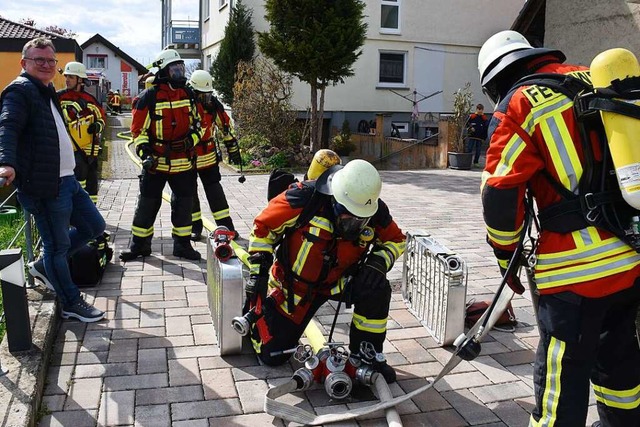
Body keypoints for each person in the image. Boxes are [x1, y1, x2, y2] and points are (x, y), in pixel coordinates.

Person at [478, 30, 640, 427]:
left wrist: (506, 260)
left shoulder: (519, 104)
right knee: (619, 357)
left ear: (496, 79)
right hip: (630, 256)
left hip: (573, 275)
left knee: (560, 383)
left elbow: (500, 196)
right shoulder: (593, 76)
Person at [246, 159, 405, 383]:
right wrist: (259, 270)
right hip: (295, 291)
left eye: (360, 220)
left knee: (376, 286)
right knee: (272, 355)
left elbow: (397, 240)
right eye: (347, 215)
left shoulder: (375, 210)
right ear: (336, 198)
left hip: (339, 282)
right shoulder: (304, 198)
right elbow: (263, 227)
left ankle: (367, 355)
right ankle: (257, 316)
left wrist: (377, 263)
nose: (353, 225)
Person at [0, 37, 106, 322]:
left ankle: (46, 266)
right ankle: (71, 301)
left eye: (50, 61)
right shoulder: (20, 92)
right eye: (39, 60)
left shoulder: (46, 91)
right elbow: (8, 126)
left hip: (67, 179)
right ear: (24, 63)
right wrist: (6, 162)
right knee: (57, 247)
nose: (46, 65)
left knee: (94, 226)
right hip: (45, 186)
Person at [119, 49, 204, 262]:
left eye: (180, 68)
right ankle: (139, 245)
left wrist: (189, 141)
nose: (179, 73)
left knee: (184, 205)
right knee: (147, 205)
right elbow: (138, 131)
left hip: (183, 162)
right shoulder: (148, 98)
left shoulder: (189, 94)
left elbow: (199, 125)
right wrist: (145, 153)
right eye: (174, 69)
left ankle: (182, 245)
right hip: (155, 163)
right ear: (162, 72)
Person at [182, 70, 241, 241]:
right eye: (202, 95)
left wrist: (232, 148)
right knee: (191, 194)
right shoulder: (185, 105)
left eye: (208, 94)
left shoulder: (214, 106)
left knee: (215, 193)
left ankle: (226, 227)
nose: (205, 99)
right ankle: (195, 228)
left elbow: (225, 127)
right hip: (189, 158)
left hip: (208, 157)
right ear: (194, 92)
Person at [57, 61, 106, 205]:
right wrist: (75, 109)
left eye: (71, 77)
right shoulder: (58, 97)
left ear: (80, 80)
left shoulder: (90, 100)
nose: (67, 80)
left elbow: (102, 118)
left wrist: (97, 126)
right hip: (67, 149)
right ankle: (76, 214)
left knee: (91, 185)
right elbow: (61, 119)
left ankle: (92, 213)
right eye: (66, 77)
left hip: (89, 151)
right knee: (75, 182)